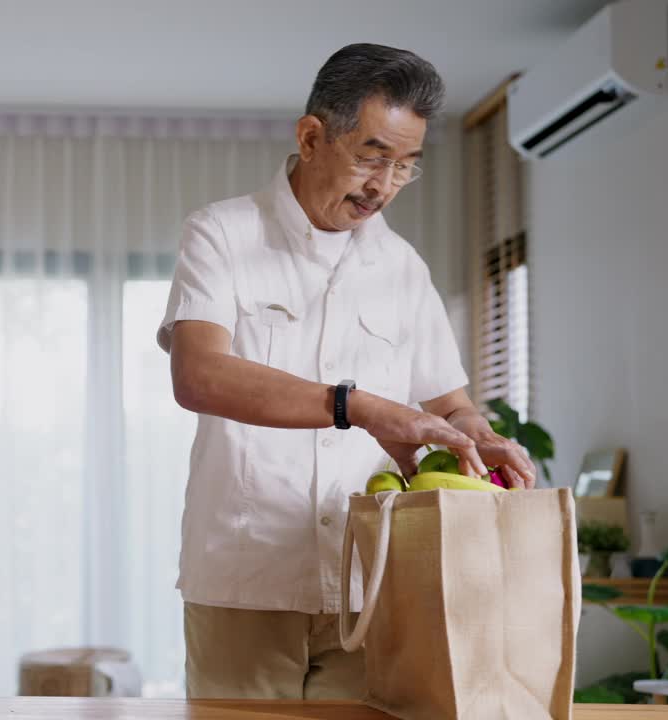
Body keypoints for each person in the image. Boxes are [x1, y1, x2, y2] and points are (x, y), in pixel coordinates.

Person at [157, 43, 537, 700]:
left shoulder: (402, 268)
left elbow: (449, 404)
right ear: (311, 137)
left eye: (406, 167)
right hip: (245, 582)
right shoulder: (222, 234)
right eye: (372, 158)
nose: (384, 186)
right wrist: (359, 406)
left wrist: (479, 434)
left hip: (372, 583)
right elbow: (200, 375)